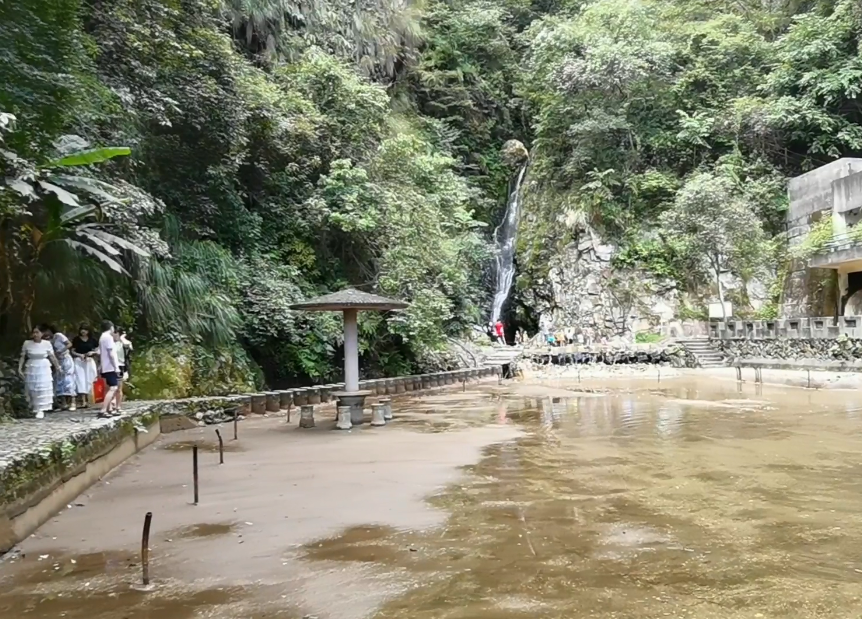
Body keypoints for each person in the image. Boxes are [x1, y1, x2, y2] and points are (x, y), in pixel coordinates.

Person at [18, 326, 60, 418]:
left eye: (37, 332)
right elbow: (23, 356)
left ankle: (40, 409)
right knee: (32, 387)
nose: (35, 334)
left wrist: (58, 367)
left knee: (42, 387)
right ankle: (33, 407)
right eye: (34, 332)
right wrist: (19, 368)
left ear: (42, 333)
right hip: (32, 366)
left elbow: (52, 356)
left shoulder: (47, 343)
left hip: (43, 366)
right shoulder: (27, 343)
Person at [41, 324, 76, 411]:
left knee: (69, 379)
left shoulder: (58, 336)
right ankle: (63, 403)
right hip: (57, 361)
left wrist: (61, 350)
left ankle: (73, 402)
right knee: (59, 381)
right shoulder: (46, 340)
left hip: (66, 358)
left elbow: (69, 344)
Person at [98, 320, 122, 418]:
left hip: (105, 366)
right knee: (113, 388)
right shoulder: (108, 337)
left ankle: (108, 409)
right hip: (110, 367)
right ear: (111, 327)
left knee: (110, 388)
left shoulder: (102, 337)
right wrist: (116, 367)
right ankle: (103, 409)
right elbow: (111, 353)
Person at [71, 325, 98, 408]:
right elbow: (72, 351)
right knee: (80, 379)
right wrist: (79, 355)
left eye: (85, 330)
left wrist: (92, 353)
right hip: (79, 361)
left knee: (89, 378)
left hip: (89, 361)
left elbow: (97, 349)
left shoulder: (92, 340)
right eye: (82, 329)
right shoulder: (76, 339)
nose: (83, 331)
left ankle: (89, 399)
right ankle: (83, 400)